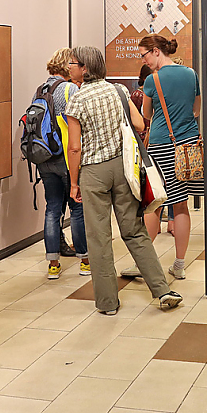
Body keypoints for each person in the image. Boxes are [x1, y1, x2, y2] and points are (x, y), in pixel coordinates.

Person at [64, 46, 182, 314]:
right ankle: (162, 290)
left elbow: (74, 148)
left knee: (99, 237)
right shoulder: (118, 91)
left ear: (84, 67)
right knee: (134, 230)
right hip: (123, 168)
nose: (69, 67)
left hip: (93, 173)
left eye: (72, 63)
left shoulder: (77, 101)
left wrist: (73, 183)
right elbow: (140, 125)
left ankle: (108, 303)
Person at [129, 33, 203, 280]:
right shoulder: (191, 74)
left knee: (153, 204)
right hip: (188, 146)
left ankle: (145, 265)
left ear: (156, 51)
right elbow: (196, 110)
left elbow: (147, 114)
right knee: (180, 205)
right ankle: (180, 264)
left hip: (161, 145)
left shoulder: (152, 80)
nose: (144, 60)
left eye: (144, 55)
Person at [34, 48, 89, 280]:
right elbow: (79, 122)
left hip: (45, 158)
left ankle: (53, 264)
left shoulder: (41, 89)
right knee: (77, 209)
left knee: (52, 208)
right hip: (67, 157)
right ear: (67, 66)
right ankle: (85, 261)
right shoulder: (70, 89)